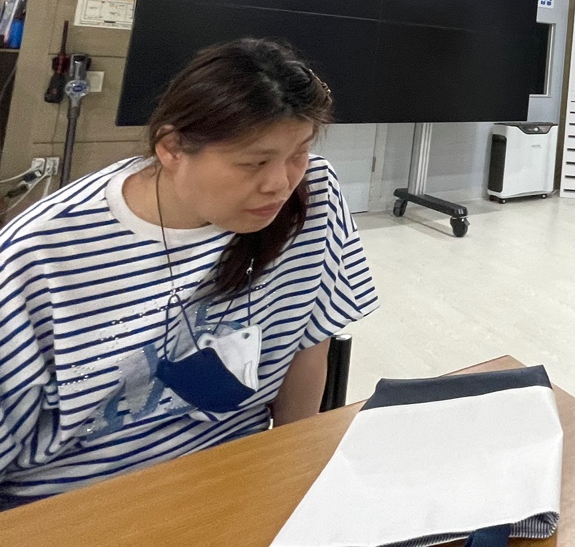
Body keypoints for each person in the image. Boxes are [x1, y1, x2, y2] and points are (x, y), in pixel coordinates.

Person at [0, 38, 377, 506]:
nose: (280, 183)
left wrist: (296, 479)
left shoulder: (312, 195)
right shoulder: (40, 256)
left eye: (298, 153)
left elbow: (308, 344)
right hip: (75, 504)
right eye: (254, 162)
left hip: (236, 475)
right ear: (172, 148)